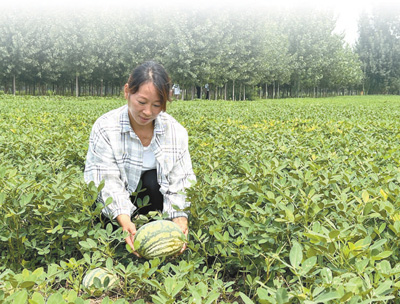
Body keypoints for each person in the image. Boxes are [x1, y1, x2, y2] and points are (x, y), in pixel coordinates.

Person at [84, 61, 196, 257]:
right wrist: (125, 220)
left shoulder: (175, 131)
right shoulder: (105, 127)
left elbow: (181, 180)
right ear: (127, 91)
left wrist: (179, 217)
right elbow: (107, 182)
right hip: (115, 205)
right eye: (142, 102)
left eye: (157, 105)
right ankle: (121, 239)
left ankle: (153, 242)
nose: (148, 112)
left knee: (153, 181)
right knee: (98, 198)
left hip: (154, 204)